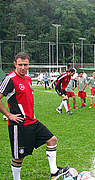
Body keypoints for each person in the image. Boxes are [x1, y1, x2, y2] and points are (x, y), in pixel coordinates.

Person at [0, 52, 69, 180]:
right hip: (19, 125)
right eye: (20, 64)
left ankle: (54, 171)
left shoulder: (28, 78)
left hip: (32, 121)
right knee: (18, 157)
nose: (22, 67)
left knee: (52, 140)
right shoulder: (10, 79)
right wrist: (9, 115)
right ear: (15, 64)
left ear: (28, 65)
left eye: (25, 65)